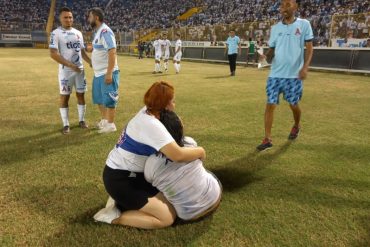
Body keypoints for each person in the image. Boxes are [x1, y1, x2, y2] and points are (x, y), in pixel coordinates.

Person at [93, 81, 206, 229]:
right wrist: (201, 151)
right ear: (165, 105)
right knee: (167, 217)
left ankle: (121, 203)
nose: (174, 105)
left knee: (173, 200)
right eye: (172, 101)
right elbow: (177, 155)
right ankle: (113, 218)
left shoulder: (149, 111)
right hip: (121, 180)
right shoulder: (151, 124)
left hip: (129, 174)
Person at [257, 0, 314, 151]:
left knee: (293, 104)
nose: (284, 8)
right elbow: (272, 48)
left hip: (294, 75)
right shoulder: (275, 28)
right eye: (282, 5)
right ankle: (267, 138)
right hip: (275, 74)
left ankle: (296, 125)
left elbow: (309, 48)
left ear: (296, 7)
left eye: (288, 4)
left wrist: (305, 68)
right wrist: (265, 57)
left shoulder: (304, 25)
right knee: (270, 105)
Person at [144, 110, 222, 221]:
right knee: (205, 172)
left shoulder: (150, 164)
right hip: (214, 198)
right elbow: (201, 157)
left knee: (160, 186)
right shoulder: (189, 143)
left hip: (188, 215)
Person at [49, 7, 91, 134]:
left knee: (81, 95)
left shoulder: (78, 33)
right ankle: (66, 124)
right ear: (60, 19)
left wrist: (89, 61)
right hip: (66, 71)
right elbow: (53, 53)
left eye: (70, 17)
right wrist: (70, 65)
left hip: (80, 71)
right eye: (65, 17)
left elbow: (82, 51)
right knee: (64, 97)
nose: (68, 19)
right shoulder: (55, 33)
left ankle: (81, 120)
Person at [88, 7, 120, 134]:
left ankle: (111, 124)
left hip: (106, 72)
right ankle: (105, 121)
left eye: (90, 17)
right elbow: (101, 48)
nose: (88, 19)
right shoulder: (98, 32)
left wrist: (109, 72)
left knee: (109, 99)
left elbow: (112, 51)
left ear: (96, 17)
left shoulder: (105, 31)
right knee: (99, 99)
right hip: (98, 73)